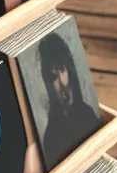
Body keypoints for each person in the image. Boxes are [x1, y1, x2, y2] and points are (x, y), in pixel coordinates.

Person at [38, 32, 101, 165]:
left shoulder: (87, 113)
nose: (60, 81)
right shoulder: (51, 133)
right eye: (53, 77)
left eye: (61, 69)